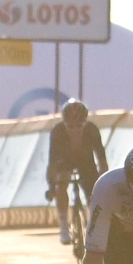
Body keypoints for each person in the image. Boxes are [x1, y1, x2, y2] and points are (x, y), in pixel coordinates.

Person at [46, 99, 108, 244]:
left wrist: (103, 181)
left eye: (79, 126)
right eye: (70, 126)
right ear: (64, 123)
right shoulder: (58, 131)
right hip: (65, 161)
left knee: (93, 192)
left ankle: (94, 225)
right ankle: (63, 227)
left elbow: (101, 158)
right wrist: (52, 185)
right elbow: (53, 162)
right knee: (61, 183)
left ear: (85, 123)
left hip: (85, 161)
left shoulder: (92, 130)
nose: (75, 130)